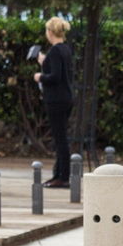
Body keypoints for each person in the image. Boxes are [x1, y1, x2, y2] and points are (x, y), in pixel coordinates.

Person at [33, 17, 74, 189]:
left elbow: (55, 76)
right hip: (65, 97)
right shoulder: (65, 49)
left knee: (60, 139)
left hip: (56, 99)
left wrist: (39, 77)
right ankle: (58, 174)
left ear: (50, 32)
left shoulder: (55, 51)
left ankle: (63, 176)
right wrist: (45, 62)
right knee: (61, 137)